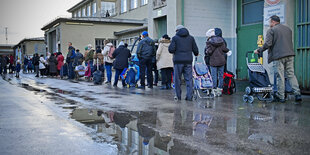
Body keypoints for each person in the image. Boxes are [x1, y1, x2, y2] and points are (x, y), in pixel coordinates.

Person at [254, 15, 302, 103]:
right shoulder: (288, 29)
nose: (269, 24)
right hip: (290, 54)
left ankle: (281, 96)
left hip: (278, 56)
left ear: (273, 22)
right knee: (291, 74)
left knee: (280, 76)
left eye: (269, 22)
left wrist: (259, 50)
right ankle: (297, 94)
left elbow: (268, 44)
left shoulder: (271, 30)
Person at [168, 25, 199, 101]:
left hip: (178, 61)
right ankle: (189, 96)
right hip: (188, 61)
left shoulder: (175, 38)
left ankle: (178, 96)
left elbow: (171, 50)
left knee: (177, 79)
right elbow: (195, 50)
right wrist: (195, 53)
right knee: (189, 79)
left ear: (177, 30)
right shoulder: (191, 38)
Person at [205, 28, 230, 97]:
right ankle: (219, 91)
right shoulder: (221, 40)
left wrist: (207, 50)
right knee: (221, 76)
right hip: (221, 61)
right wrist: (228, 51)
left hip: (213, 61)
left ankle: (214, 90)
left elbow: (209, 52)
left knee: (214, 76)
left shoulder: (209, 41)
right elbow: (224, 49)